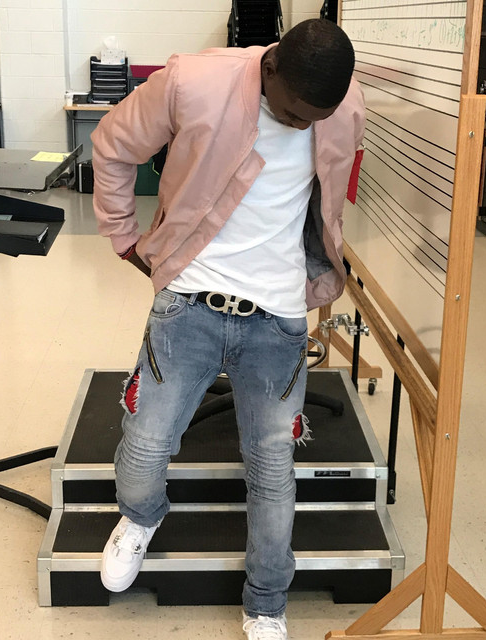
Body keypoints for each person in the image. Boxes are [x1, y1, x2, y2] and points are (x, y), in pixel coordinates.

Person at [91, 18, 365, 640]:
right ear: (270, 68)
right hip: (190, 299)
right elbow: (112, 145)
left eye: (315, 119)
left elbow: (328, 196)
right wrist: (124, 237)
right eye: (292, 113)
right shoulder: (192, 80)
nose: (300, 126)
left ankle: (266, 603)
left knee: (272, 466)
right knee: (146, 442)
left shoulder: (345, 105)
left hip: (278, 316)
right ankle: (141, 517)